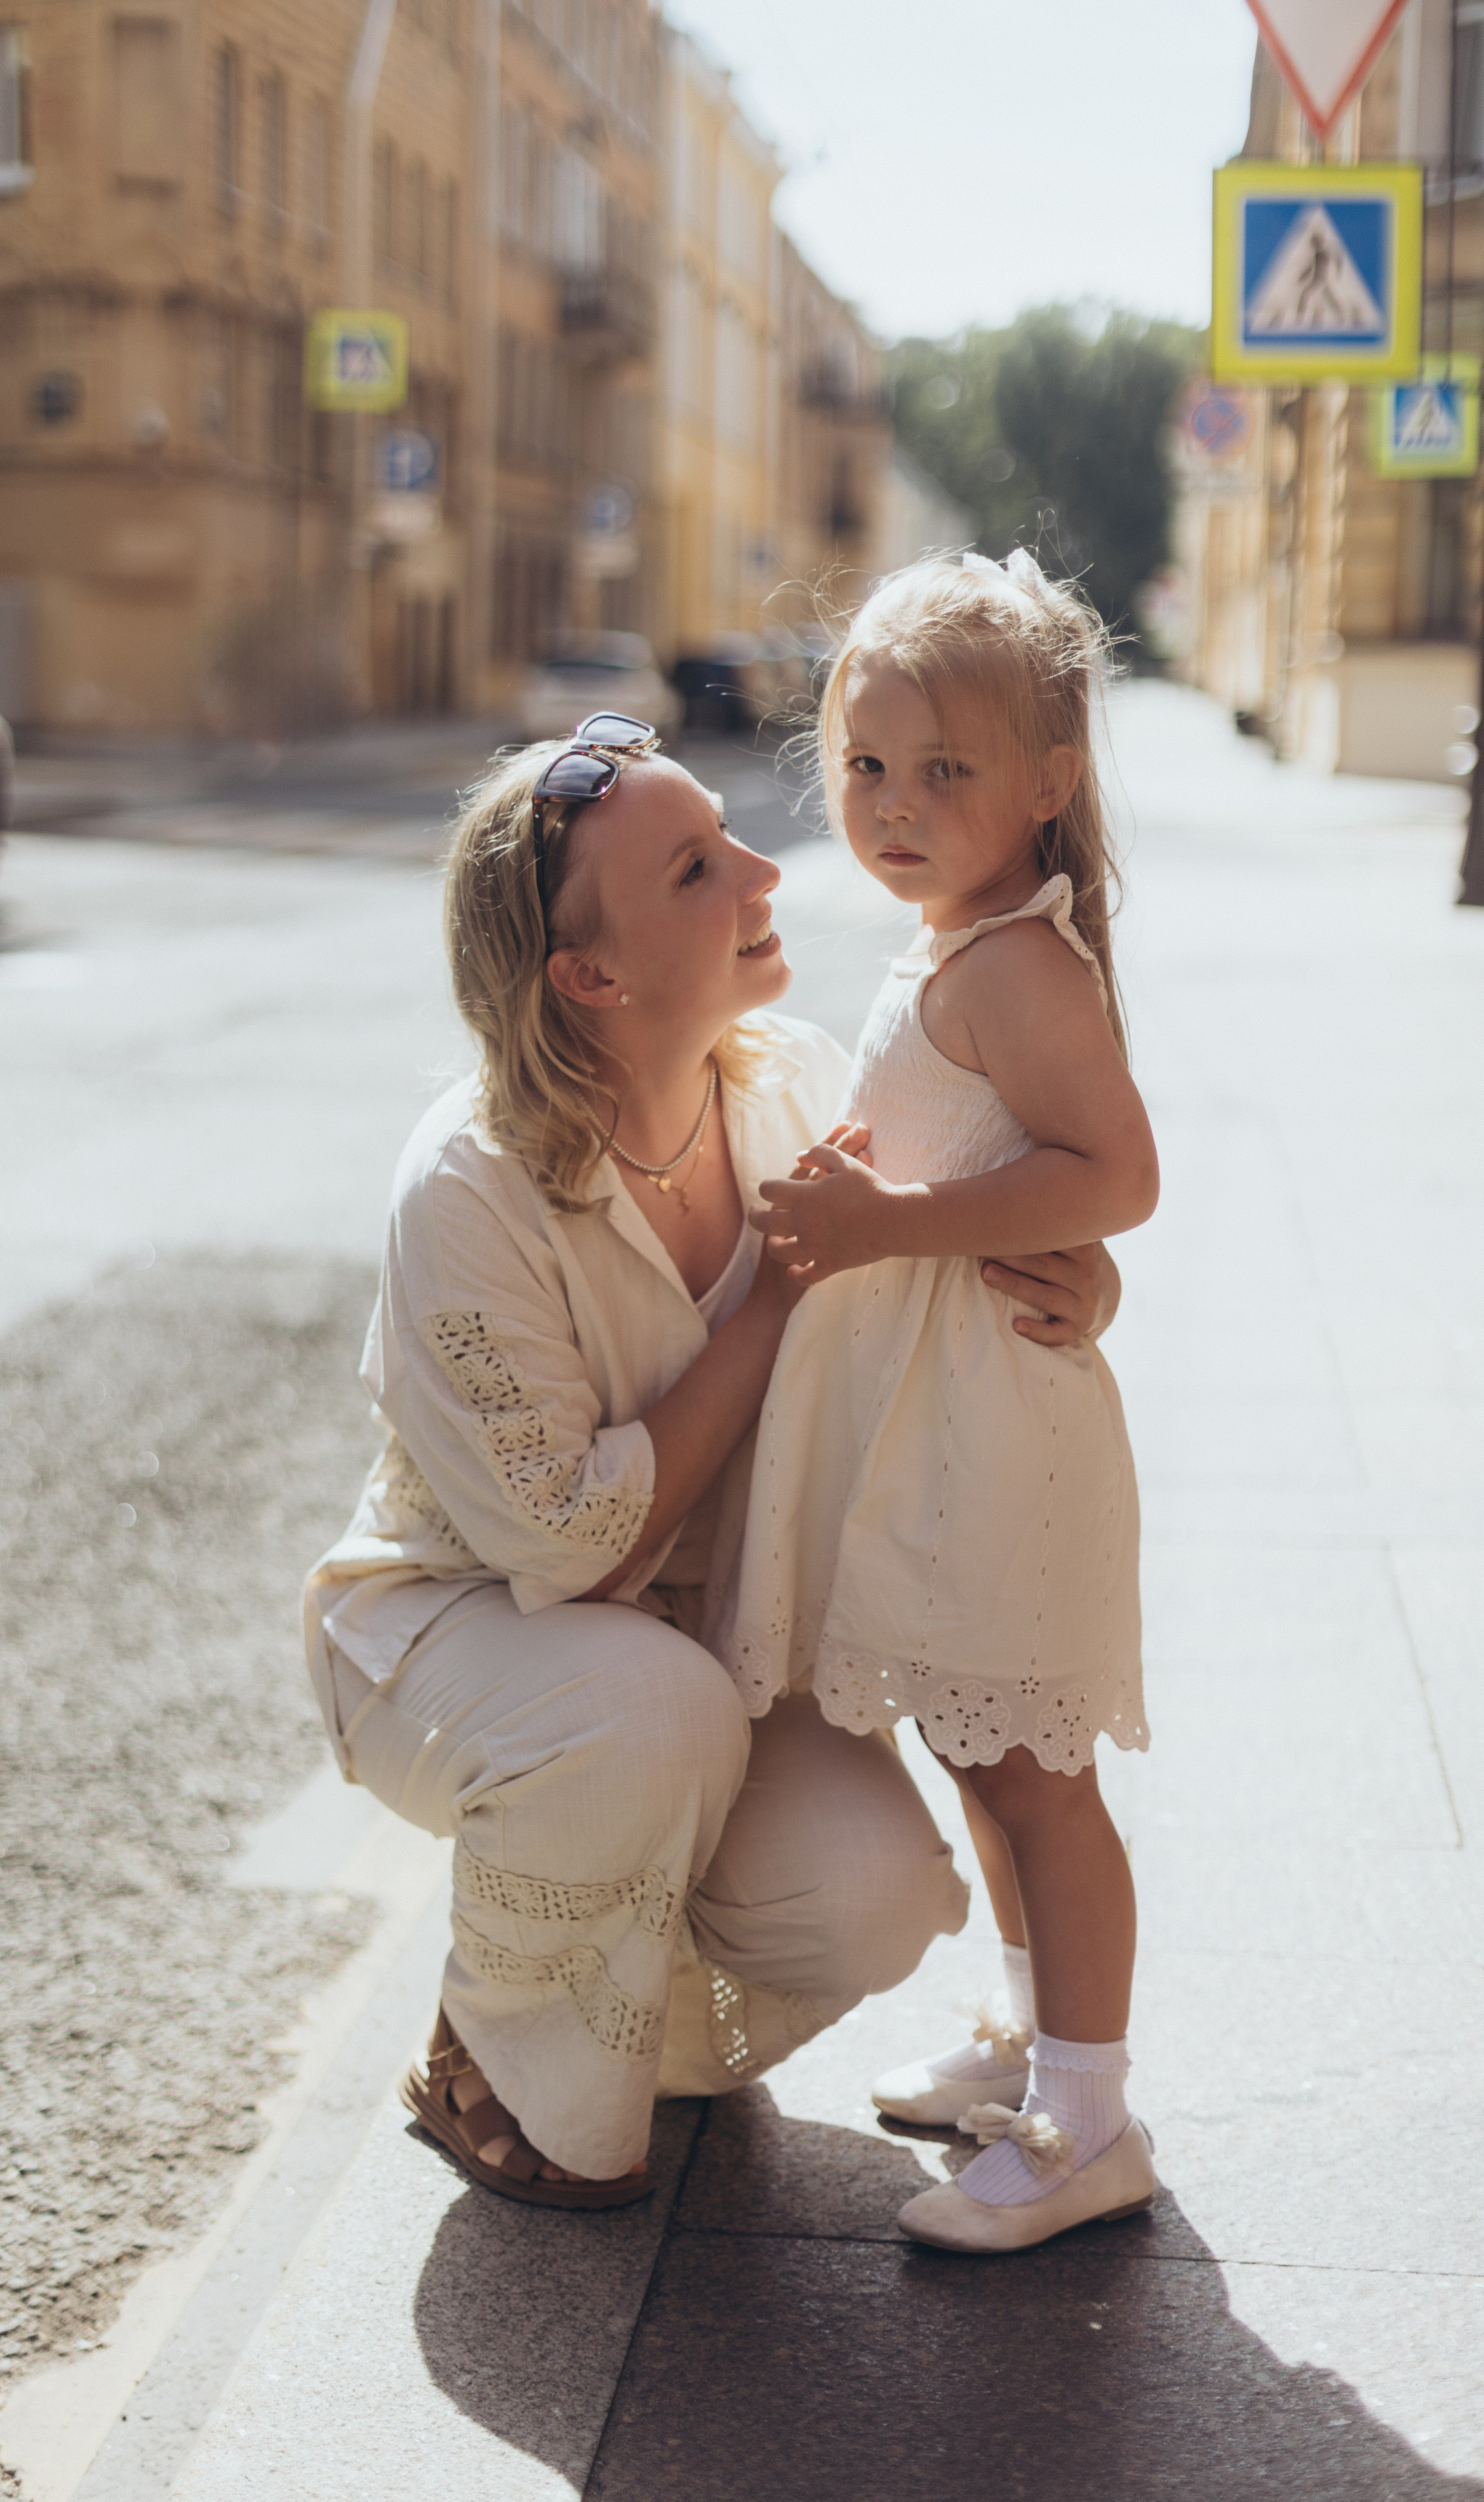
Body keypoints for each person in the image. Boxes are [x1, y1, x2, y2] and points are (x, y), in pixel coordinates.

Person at [303, 710, 1119, 2206]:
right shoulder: (469, 1191)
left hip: (715, 1632)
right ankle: (495, 2053)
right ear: (590, 977)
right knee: (648, 1717)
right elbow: (570, 1551)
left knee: (877, 1896)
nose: (763, 870)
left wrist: (1083, 1284)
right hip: (464, 1629)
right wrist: (772, 1291)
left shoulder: (798, 1081)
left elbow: (969, 1235)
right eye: (697, 868)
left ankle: (601, 1982)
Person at [717, 551, 1159, 2252]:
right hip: (958, 1431)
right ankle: (1035, 2043)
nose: (892, 805)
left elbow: (1114, 1170)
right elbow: (996, 1149)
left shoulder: (1017, 968)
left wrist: (888, 1222)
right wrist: (881, 1178)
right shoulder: (957, 941)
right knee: (984, 1755)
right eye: (868, 766)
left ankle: (1093, 2115)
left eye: (944, 772)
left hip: (1009, 1443)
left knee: (1038, 1775)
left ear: (1050, 784)